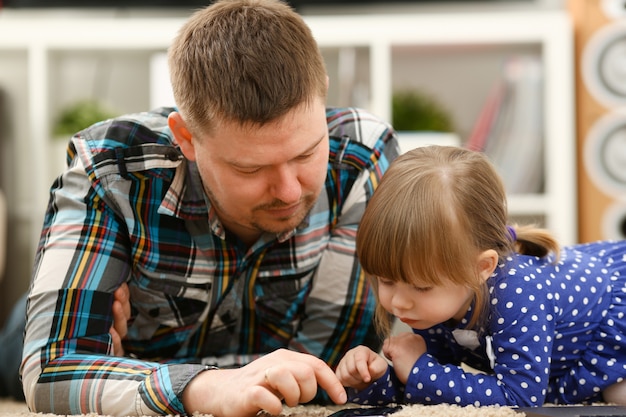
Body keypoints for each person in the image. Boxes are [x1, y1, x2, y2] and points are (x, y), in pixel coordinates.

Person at [21, 1, 399, 416]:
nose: (289, 191)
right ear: (186, 138)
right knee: (20, 342)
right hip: (37, 337)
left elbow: (331, 372)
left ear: (323, 89)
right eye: (250, 167)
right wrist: (207, 387)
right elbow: (51, 370)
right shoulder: (113, 171)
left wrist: (124, 374)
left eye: (307, 154)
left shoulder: (361, 160)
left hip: (138, 362)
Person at [335, 145, 626, 408]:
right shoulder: (436, 303)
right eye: (385, 280)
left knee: (617, 394)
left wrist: (420, 370)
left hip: (614, 324)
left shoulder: (517, 291)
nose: (397, 302)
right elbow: (433, 388)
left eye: (421, 287)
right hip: (572, 356)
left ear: (482, 268)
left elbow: (521, 398)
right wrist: (376, 379)